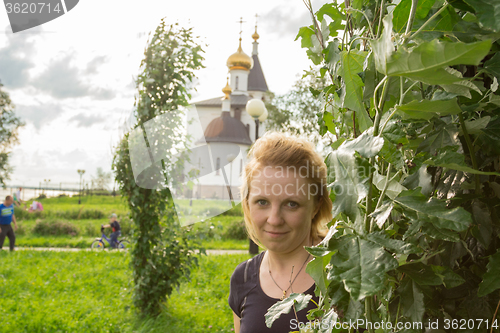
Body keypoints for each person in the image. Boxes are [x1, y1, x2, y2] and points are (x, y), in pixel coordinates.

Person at [228, 132, 333, 333]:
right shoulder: (242, 278)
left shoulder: (347, 274)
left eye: (292, 204)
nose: (274, 219)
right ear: (247, 204)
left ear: (316, 206)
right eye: (262, 202)